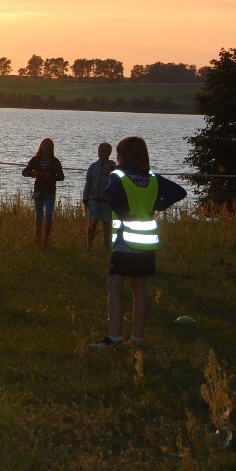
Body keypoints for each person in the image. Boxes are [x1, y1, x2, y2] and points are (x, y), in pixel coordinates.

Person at [90, 136, 186, 349]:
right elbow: (180, 192)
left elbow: (114, 199)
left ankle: (114, 339)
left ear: (122, 154)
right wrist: (156, 206)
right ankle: (137, 339)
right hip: (146, 242)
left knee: (114, 285)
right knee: (139, 287)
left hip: (125, 239)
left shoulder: (118, 175)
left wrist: (126, 213)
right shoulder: (152, 177)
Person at [22, 138, 65, 245]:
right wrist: (33, 173)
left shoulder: (55, 161)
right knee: (39, 215)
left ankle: (46, 238)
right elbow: (24, 172)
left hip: (50, 192)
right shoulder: (35, 159)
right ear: (41, 146)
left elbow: (61, 177)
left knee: (49, 215)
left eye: (49, 145)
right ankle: (37, 238)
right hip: (39, 191)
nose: (46, 146)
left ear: (52, 148)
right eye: (44, 144)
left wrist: (51, 177)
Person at [83, 143, 116, 252]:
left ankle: (106, 248)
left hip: (107, 201)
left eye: (104, 151)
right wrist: (85, 198)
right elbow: (88, 183)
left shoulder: (113, 167)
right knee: (92, 222)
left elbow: (118, 182)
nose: (101, 153)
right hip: (94, 200)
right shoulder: (93, 167)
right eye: (99, 151)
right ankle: (89, 246)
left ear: (109, 153)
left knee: (106, 224)